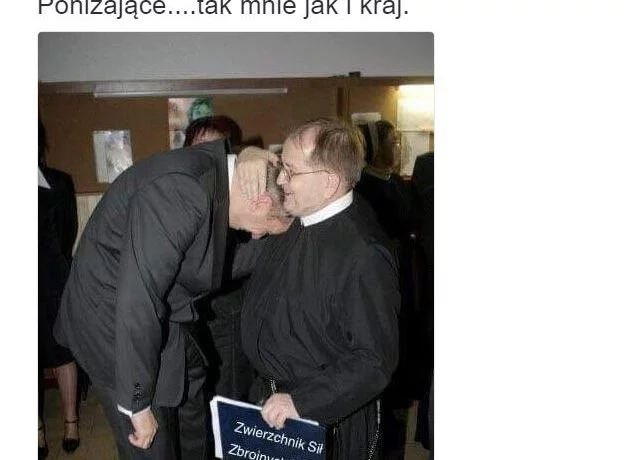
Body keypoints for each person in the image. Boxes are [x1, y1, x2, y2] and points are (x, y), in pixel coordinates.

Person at [54, 139, 290, 460]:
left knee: (192, 414)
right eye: (268, 230)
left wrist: (248, 153)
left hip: (163, 315)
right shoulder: (181, 192)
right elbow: (139, 301)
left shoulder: (219, 178)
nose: (258, 236)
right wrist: (137, 403)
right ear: (261, 202)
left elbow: (219, 262)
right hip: (113, 328)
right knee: (152, 444)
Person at [240, 117, 400, 459]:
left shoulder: (364, 254)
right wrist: (246, 156)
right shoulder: (301, 214)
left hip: (319, 416)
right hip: (271, 401)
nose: (281, 180)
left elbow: (374, 361)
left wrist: (301, 402)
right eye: (282, 166)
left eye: (291, 171)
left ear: (328, 183)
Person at [38, 118, 80, 458]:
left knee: (63, 353)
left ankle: (71, 422)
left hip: (53, 282)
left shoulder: (60, 182)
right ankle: (35, 429)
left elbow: (68, 233)